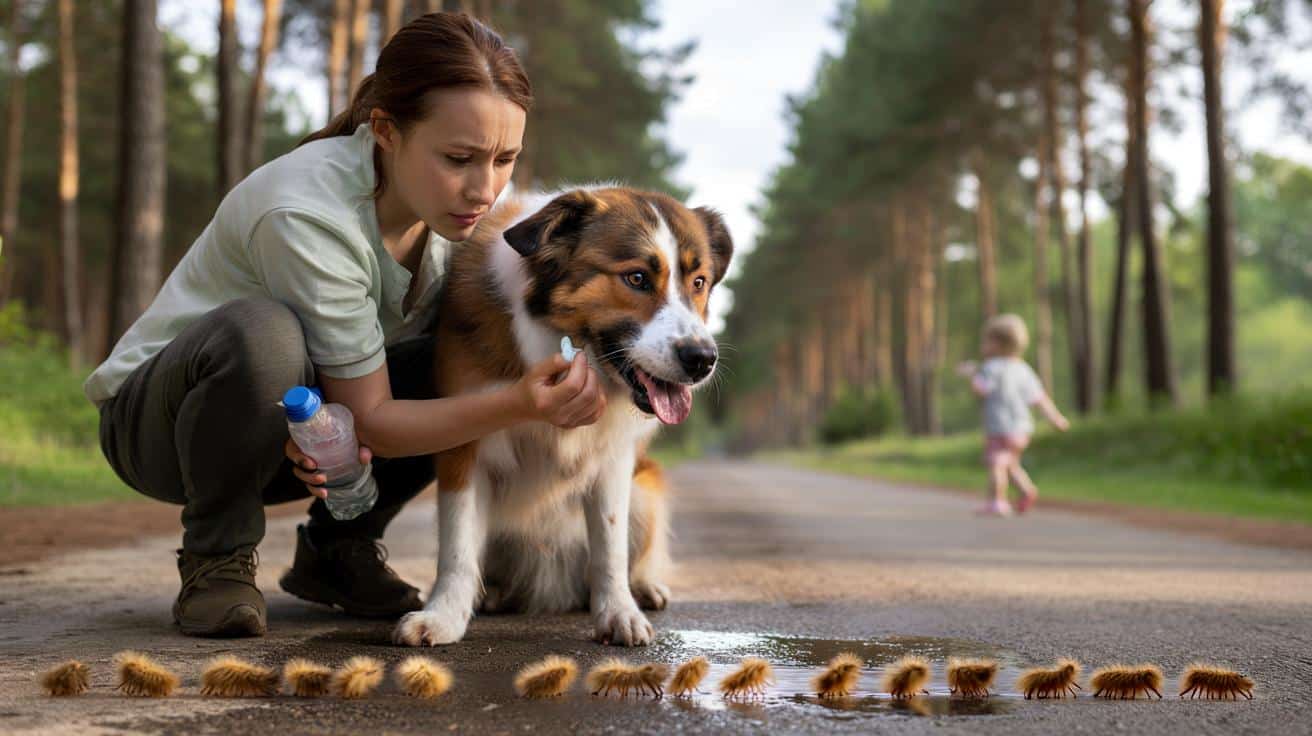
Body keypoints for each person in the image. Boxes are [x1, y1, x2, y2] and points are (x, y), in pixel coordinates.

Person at [86, 12, 606, 638]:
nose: (484, 188)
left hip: (305, 423)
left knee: (455, 347)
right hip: (161, 428)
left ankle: (337, 551)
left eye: (504, 159)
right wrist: (517, 403)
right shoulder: (305, 213)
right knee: (264, 334)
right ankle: (216, 561)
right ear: (385, 130)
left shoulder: (456, 212)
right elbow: (376, 420)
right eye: (459, 158)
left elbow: (378, 403)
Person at [956, 314, 1069, 517]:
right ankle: (1026, 490)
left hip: (1000, 427)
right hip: (1022, 429)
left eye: (986, 341)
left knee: (996, 464)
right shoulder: (1023, 369)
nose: (983, 346)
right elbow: (1039, 397)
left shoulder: (991, 368)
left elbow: (981, 390)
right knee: (1010, 463)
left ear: (997, 344)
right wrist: (1056, 418)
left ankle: (997, 502)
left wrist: (972, 375)